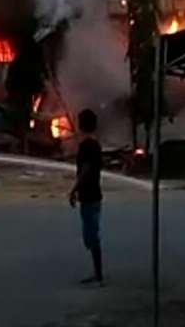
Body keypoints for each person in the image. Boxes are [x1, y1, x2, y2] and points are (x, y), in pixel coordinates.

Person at [68, 109, 104, 287]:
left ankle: (98, 276)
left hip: (89, 195)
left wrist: (74, 189)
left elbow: (86, 169)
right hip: (94, 194)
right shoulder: (95, 144)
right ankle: (97, 274)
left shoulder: (86, 146)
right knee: (91, 234)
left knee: (91, 235)